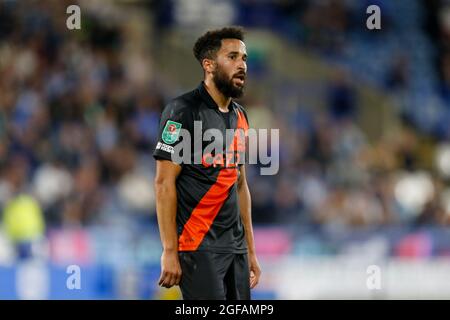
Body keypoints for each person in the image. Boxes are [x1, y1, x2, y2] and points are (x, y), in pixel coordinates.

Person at [153, 26, 261, 300]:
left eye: (244, 58)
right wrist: (169, 251)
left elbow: (239, 184)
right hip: (198, 247)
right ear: (209, 65)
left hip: (235, 250)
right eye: (233, 57)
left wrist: (249, 250)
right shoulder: (182, 111)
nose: (242, 65)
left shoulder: (241, 117)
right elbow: (164, 183)